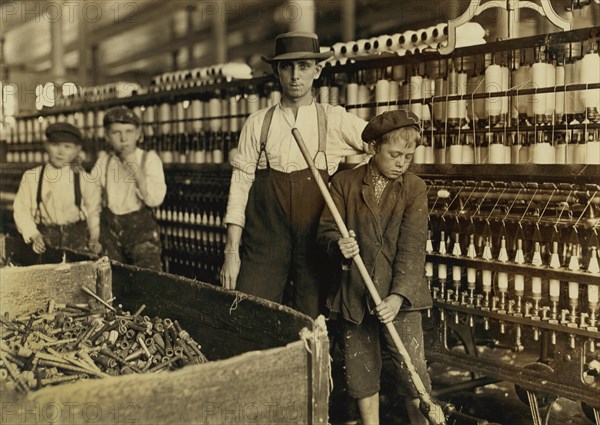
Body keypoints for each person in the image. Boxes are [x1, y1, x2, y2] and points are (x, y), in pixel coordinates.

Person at [219, 31, 369, 318]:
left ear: (317, 69)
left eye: (303, 66)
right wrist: (231, 254)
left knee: (312, 324)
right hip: (264, 245)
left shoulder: (333, 119)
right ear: (277, 71)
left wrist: (351, 186)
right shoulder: (257, 123)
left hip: (314, 247)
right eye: (287, 67)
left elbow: (380, 141)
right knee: (250, 313)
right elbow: (239, 189)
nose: (295, 76)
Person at [317, 110, 434, 425]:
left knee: (413, 372)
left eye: (408, 157)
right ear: (373, 149)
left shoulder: (414, 188)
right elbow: (326, 232)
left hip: (402, 297)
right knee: (361, 373)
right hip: (355, 293)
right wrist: (338, 246)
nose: (401, 163)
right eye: (394, 154)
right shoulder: (344, 183)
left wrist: (397, 297)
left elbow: (412, 249)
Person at [94, 106, 166, 271]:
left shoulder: (149, 159)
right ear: (106, 136)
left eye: (129, 131)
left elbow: (155, 199)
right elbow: (91, 198)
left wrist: (135, 169)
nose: (123, 138)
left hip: (141, 234)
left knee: (148, 279)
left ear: (138, 134)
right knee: (112, 279)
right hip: (110, 235)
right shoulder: (104, 162)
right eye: (116, 132)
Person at [13, 122, 102, 256]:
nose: (60, 152)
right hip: (45, 241)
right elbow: (21, 211)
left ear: (77, 150)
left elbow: (93, 214)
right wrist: (34, 235)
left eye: (67, 147)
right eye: (55, 145)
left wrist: (94, 239)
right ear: (46, 145)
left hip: (77, 242)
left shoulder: (86, 180)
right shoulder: (32, 177)